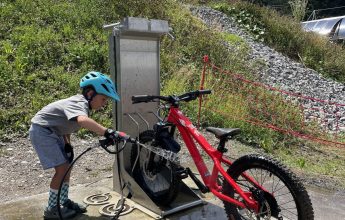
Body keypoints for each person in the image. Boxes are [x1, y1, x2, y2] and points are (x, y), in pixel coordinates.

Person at [29, 71, 123, 219]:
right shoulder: (79, 103)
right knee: (61, 169)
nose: (104, 104)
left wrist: (68, 144)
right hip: (43, 131)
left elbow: (65, 126)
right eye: (103, 99)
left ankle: (64, 201)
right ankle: (52, 208)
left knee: (67, 166)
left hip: (54, 132)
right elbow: (82, 121)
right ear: (91, 93)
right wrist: (106, 132)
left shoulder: (82, 105)